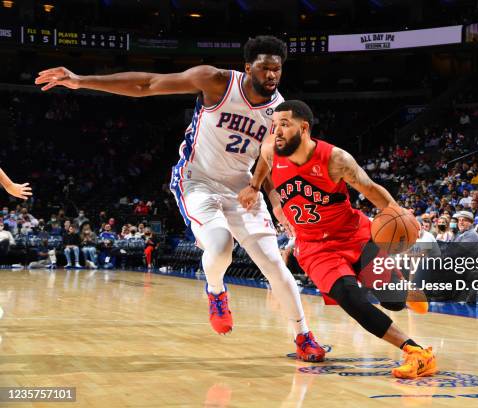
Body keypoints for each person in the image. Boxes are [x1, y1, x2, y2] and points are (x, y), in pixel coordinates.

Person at [36, 36, 324, 361]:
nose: (272, 75)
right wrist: (81, 80)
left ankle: (303, 336)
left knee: (274, 264)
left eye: (277, 69)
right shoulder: (216, 81)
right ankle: (216, 290)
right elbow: (148, 84)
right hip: (197, 181)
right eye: (265, 68)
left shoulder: (278, 111)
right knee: (220, 247)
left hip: (243, 187)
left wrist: (273, 199)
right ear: (247, 68)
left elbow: (267, 157)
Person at [238, 100, 436, 379]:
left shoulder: (335, 159)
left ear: (304, 128)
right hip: (315, 247)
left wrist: (398, 212)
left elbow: (370, 188)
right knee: (349, 297)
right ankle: (416, 352)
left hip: (352, 234)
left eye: (284, 124)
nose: (277, 131)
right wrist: (255, 187)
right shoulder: (271, 150)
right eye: (274, 125)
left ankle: (406, 293)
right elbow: (263, 163)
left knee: (392, 301)